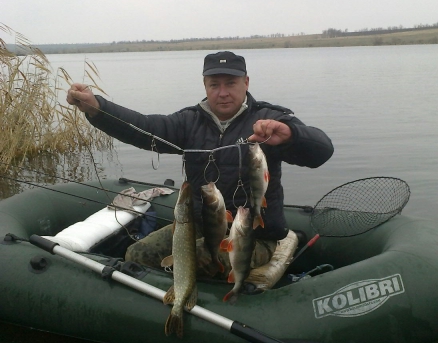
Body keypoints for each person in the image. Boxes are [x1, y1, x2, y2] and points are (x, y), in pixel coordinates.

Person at [67, 51, 334, 276]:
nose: (222, 93)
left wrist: (291, 136)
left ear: (246, 82)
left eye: (231, 83)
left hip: (253, 235)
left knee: (196, 260)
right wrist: (96, 108)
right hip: (197, 227)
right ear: (205, 85)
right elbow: (143, 128)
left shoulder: (269, 119)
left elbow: (320, 152)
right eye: (214, 85)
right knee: (138, 254)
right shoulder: (188, 121)